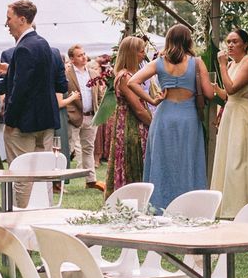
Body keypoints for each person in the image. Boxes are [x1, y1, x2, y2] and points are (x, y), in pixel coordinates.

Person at [132, 24, 211, 211]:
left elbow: (131, 81)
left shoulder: (159, 63)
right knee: (188, 162)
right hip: (188, 117)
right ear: (188, 40)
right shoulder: (197, 62)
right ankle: (190, 207)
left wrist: (152, 99)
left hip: (164, 116)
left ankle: (158, 207)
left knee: (162, 162)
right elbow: (207, 93)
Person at [0, 0, 63, 207]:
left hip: (24, 124)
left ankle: (20, 214)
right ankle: (44, 209)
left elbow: (21, 89)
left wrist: (9, 120)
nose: (6, 23)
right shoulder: (44, 44)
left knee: (21, 174)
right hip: (45, 120)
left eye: (9, 18)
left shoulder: (23, 48)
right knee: (43, 173)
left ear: (22, 19)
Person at [210, 25, 248, 217]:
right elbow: (227, 94)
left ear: (245, 44)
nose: (231, 45)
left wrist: (222, 66)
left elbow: (233, 89)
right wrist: (216, 89)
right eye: (228, 42)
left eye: (235, 42)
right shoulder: (233, 64)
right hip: (231, 113)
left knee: (239, 160)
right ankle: (224, 206)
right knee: (227, 158)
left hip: (243, 115)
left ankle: (240, 207)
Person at [102, 34, 153, 195]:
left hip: (130, 124)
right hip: (131, 126)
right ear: (131, 53)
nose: (143, 55)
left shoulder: (130, 74)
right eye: (141, 51)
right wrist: (153, 124)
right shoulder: (125, 77)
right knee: (132, 161)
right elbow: (137, 108)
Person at [59, 44, 99, 188]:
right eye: (79, 55)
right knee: (68, 149)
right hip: (74, 117)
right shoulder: (66, 74)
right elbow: (62, 94)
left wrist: (98, 109)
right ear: (72, 59)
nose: (84, 57)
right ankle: (60, 182)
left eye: (84, 54)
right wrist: (69, 113)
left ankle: (91, 180)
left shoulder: (93, 73)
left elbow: (98, 94)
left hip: (91, 116)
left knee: (89, 148)